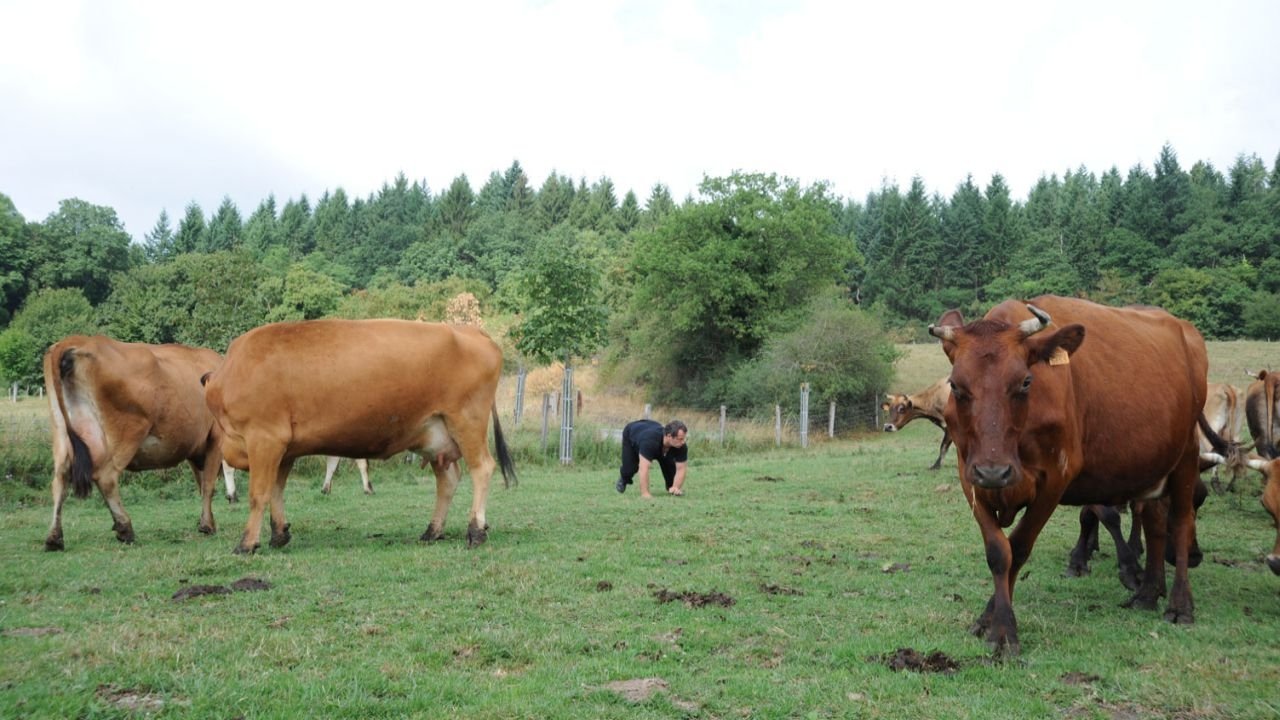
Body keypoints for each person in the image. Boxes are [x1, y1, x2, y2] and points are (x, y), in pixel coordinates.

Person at [615, 419, 688, 498]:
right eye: (680, 439)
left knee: (671, 474)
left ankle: (672, 488)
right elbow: (644, 468)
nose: (683, 442)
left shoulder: (681, 446)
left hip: (654, 435)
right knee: (629, 469)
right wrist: (645, 493)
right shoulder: (650, 442)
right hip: (633, 433)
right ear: (669, 436)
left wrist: (676, 487)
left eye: (684, 438)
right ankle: (624, 478)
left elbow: (681, 468)